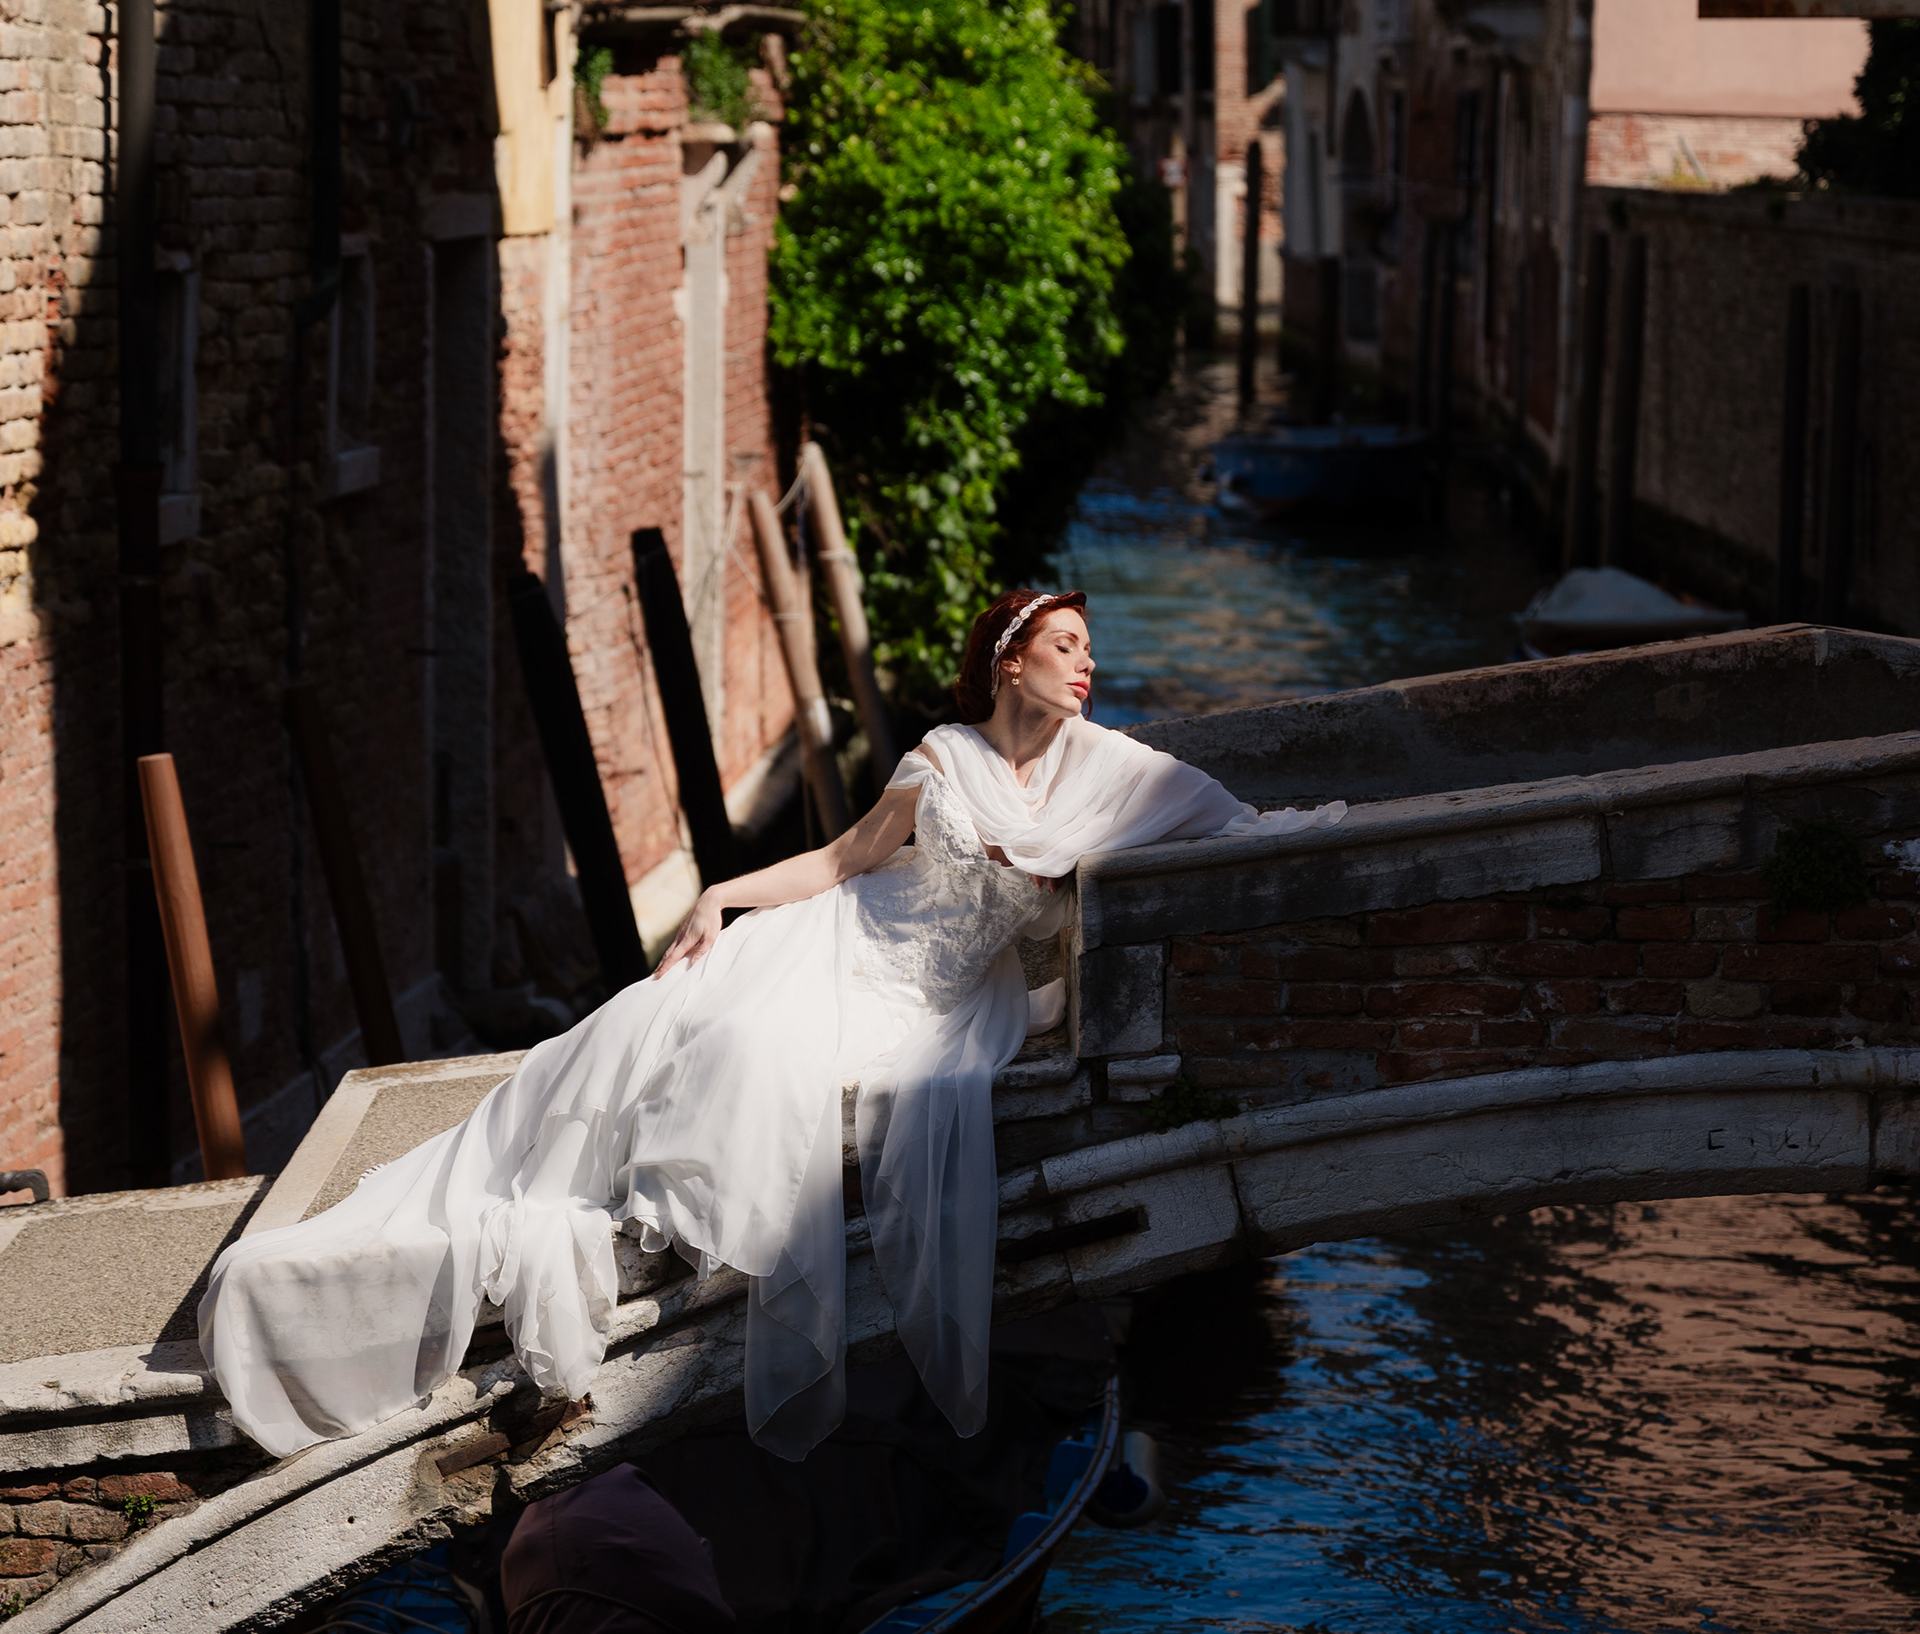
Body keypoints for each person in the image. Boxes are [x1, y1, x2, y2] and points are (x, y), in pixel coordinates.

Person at [201, 590, 1341, 1462]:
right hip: (845, 939)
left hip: (941, 999)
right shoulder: (942, 757)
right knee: (684, 1028)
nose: (1091, 666)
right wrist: (724, 894)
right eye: (1069, 647)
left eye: (1092, 651)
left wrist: (1332, 831)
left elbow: (1232, 825)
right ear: (1010, 660)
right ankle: (629, 1214)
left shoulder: (1117, 770)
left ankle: (659, 1232)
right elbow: (848, 860)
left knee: (768, 1065)